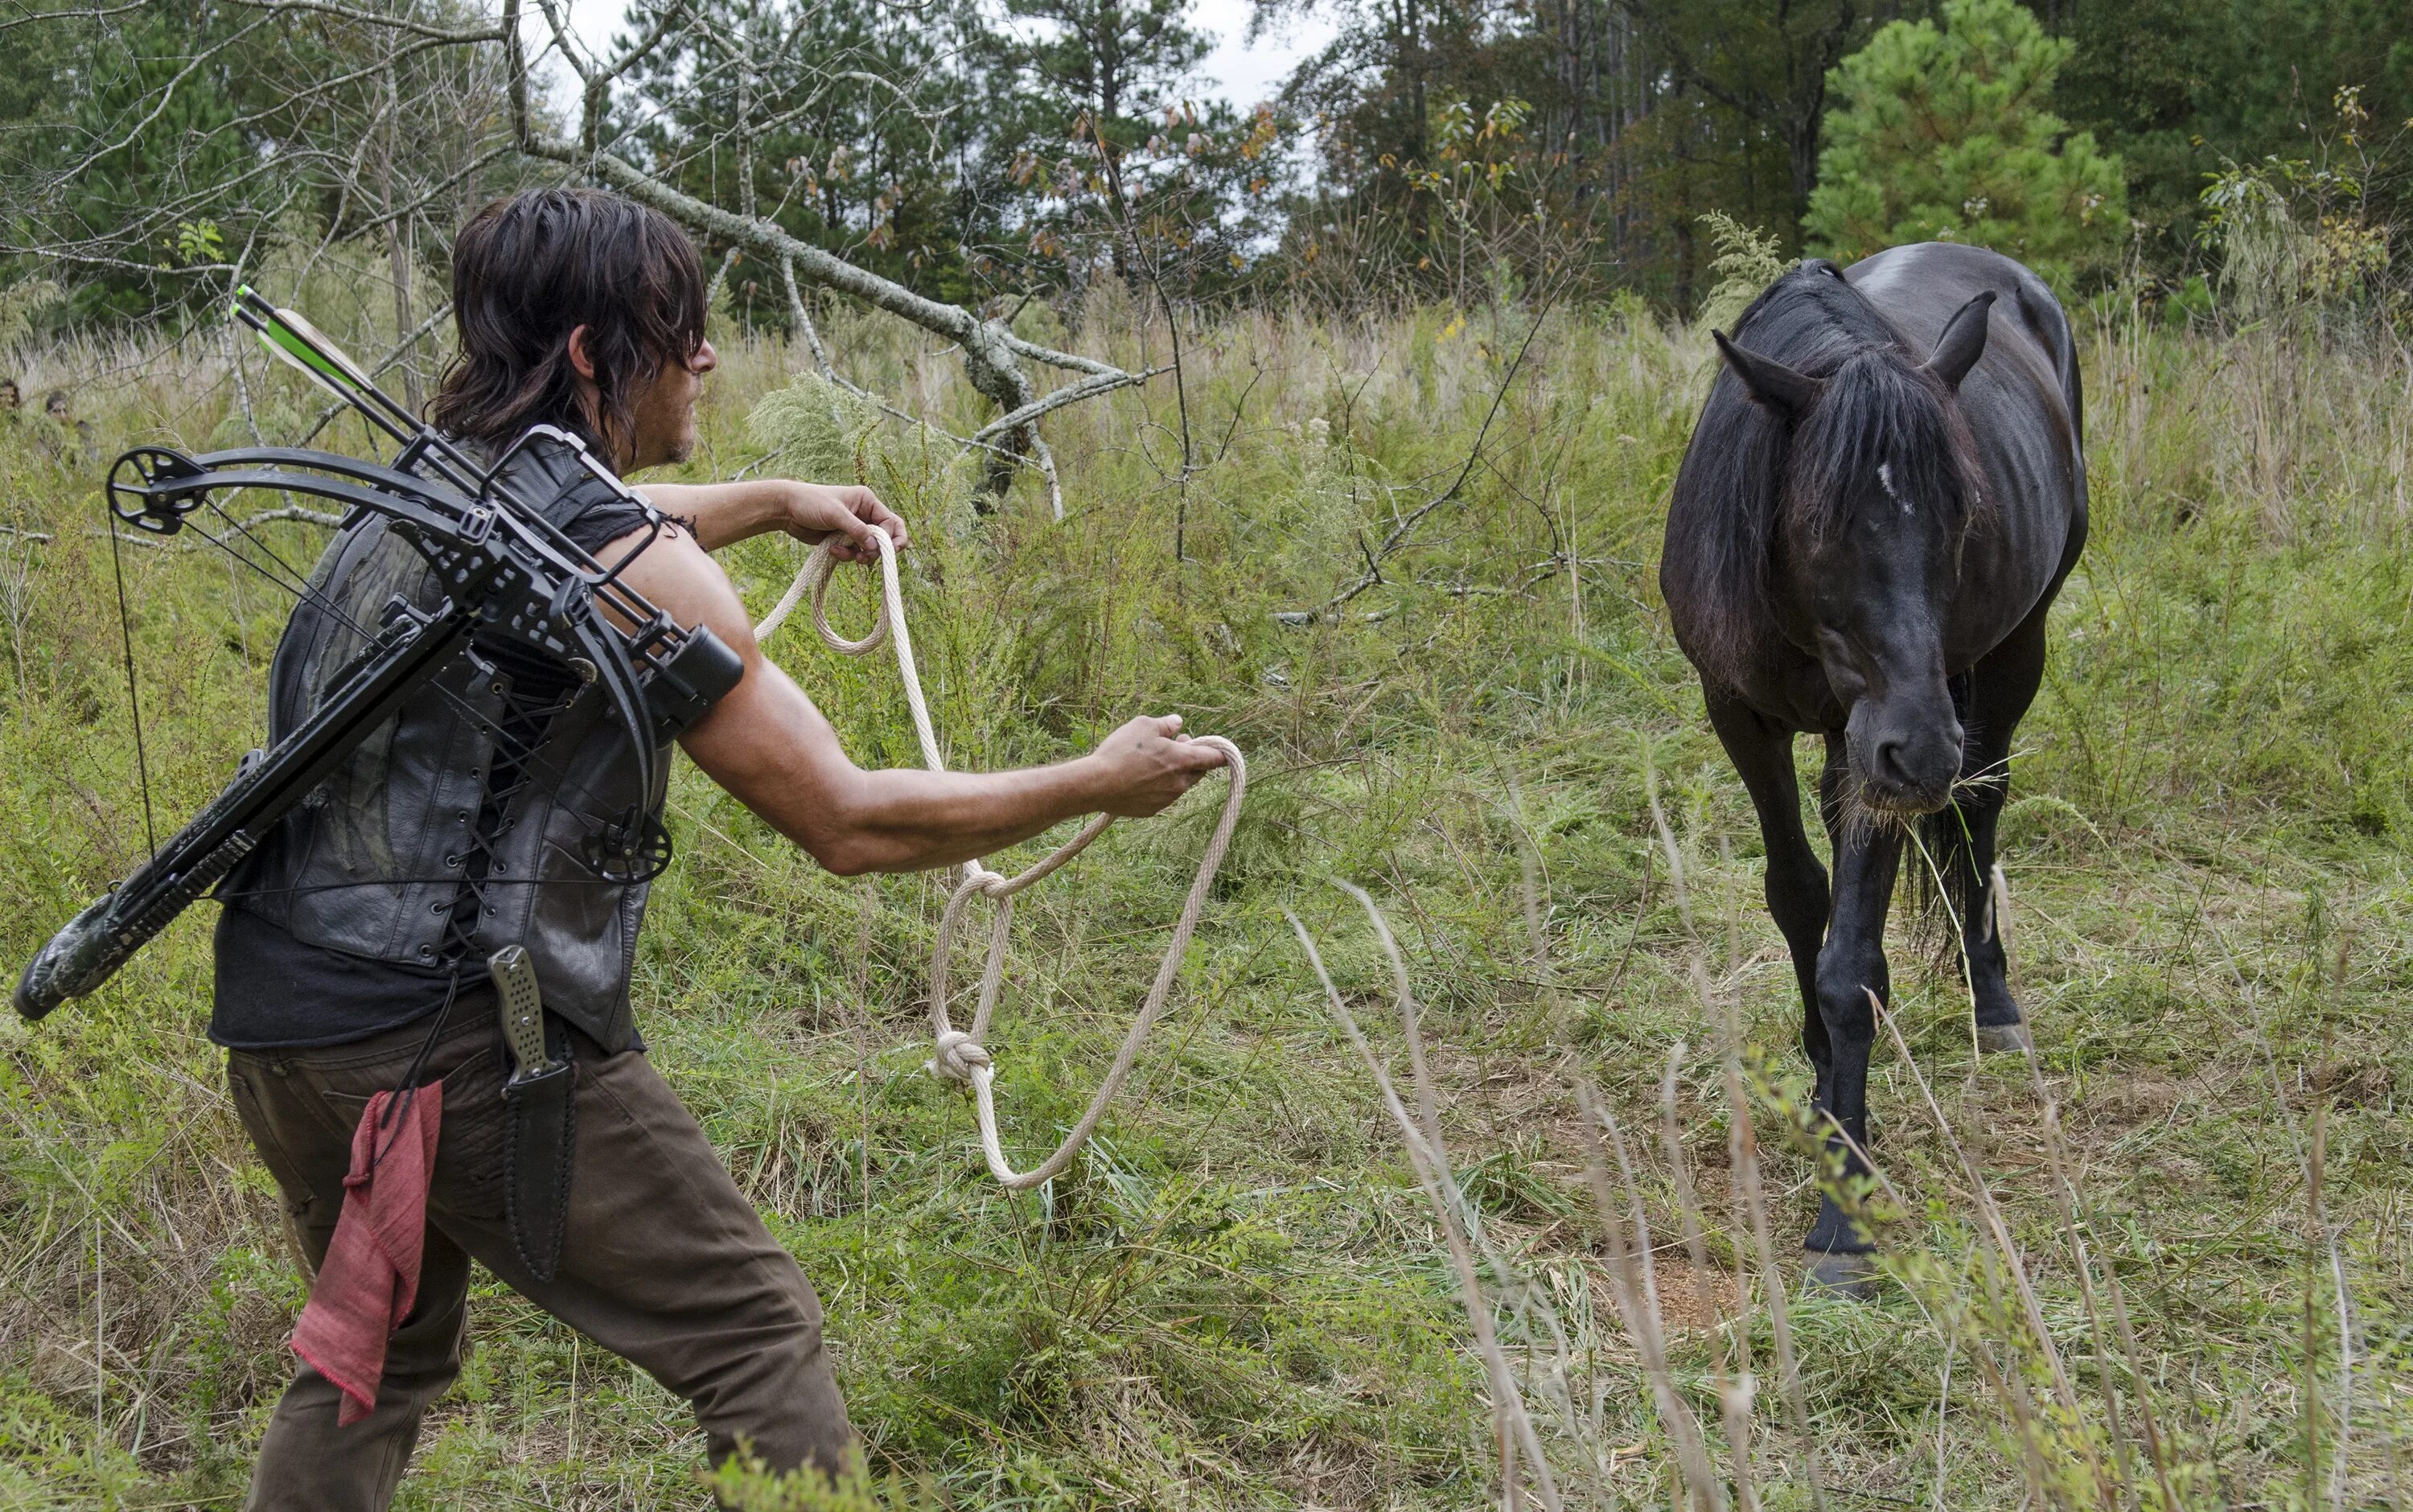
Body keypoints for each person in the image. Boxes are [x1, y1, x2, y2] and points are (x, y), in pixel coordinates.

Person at [214, 187, 1228, 1509]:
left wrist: (780, 501)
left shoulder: (425, 480)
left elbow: (600, 518)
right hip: (450, 1047)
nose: (705, 358)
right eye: (677, 332)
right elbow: (847, 822)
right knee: (752, 1336)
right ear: (590, 355)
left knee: (376, 1355)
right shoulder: (640, 571)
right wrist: (1096, 783)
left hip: (284, 1023)